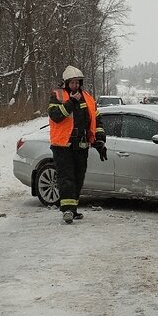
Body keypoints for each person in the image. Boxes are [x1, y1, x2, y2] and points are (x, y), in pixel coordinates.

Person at [47, 65, 106, 224]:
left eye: (77, 82)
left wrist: (99, 139)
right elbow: (56, 116)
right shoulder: (58, 95)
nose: (75, 85)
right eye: (72, 83)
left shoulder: (87, 97)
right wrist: (72, 101)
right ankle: (67, 210)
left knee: (78, 177)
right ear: (66, 83)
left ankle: (73, 209)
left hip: (81, 144)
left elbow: (96, 120)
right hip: (63, 145)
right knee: (67, 178)